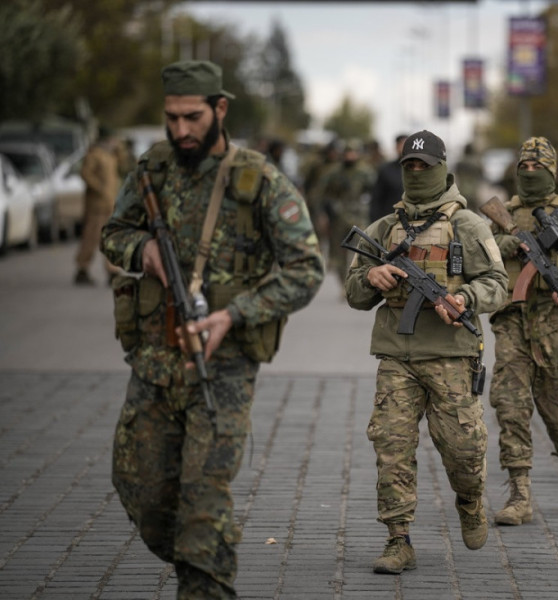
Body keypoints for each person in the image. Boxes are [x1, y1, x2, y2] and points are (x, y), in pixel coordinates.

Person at [100, 60, 324, 599]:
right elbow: (113, 233)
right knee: (142, 492)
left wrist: (234, 314)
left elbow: (306, 269)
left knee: (203, 505)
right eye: (172, 118)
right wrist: (142, 249)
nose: (181, 130)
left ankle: (207, 575)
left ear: (220, 109)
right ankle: (202, 556)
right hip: (154, 362)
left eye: (192, 117)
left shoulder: (259, 179)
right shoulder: (153, 169)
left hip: (221, 370)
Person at [344, 130, 507, 574]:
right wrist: (371, 277)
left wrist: (465, 298)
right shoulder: (383, 228)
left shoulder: (468, 225)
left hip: (452, 358)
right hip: (397, 358)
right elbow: (355, 293)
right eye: (409, 166)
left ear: (441, 168)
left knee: (464, 451)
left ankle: (470, 500)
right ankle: (398, 539)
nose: (416, 173)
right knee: (391, 446)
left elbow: (498, 283)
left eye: (424, 166)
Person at [488, 137, 558, 525]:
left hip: (555, 323)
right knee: (510, 405)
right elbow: (480, 255)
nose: (531, 173)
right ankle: (519, 493)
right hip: (513, 319)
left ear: (552, 171)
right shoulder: (504, 213)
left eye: (539, 167)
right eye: (525, 167)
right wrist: (507, 244)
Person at [313, 139, 375, 288]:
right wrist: (323, 213)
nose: (350, 156)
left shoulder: (365, 172)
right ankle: (344, 283)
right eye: (347, 152)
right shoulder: (334, 172)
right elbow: (321, 193)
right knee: (340, 252)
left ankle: (356, 281)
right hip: (339, 216)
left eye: (353, 152)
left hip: (359, 216)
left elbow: (374, 192)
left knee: (360, 249)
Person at [75, 126, 121, 286]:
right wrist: (99, 188)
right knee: (91, 238)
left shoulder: (110, 155)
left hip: (109, 204)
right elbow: (85, 174)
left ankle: (112, 271)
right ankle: (82, 268)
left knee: (110, 238)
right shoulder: (94, 154)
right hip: (96, 207)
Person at [368, 133, 407, 223]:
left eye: (405, 145)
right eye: (400, 145)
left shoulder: (417, 170)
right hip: (389, 220)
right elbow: (377, 198)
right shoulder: (386, 169)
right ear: (396, 147)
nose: (403, 148)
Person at [454, 142, 485, 208]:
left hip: (462, 191)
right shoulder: (477, 163)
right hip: (474, 193)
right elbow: (482, 178)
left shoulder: (460, 163)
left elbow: (456, 177)